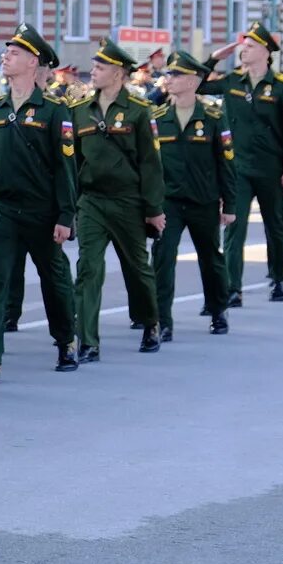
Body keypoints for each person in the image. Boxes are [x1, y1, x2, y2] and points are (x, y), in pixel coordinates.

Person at [0, 24, 80, 376]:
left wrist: (66, 215)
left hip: (42, 212)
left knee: (54, 280)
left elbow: (65, 167)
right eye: (6, 52)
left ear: (32, 62)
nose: (5, 57)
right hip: (1, 211)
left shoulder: (55, 111)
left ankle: (66, 341)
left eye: (14, 53)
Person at [70, 37, 166, 362]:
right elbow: (72, 163)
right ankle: (87, 340)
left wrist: (153, 210)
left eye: (101, 67)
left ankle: (151, 323)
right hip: (92, 202)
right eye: (94, 66)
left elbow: (151, 165)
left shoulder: (139, 112)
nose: (93, 72)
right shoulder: (79, 110)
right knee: (88, 268)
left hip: (128, 202)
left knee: (138, 268)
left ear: (120, 73)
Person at [205, 23, 283, 305]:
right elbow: (196, 83)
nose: (242, 51)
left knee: (275, 226)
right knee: (234, 228)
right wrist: (214, 58)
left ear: (264, 52)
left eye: (249, 47)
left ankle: (279, 278)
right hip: (238, 169)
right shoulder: (233, 80)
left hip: (271, 169)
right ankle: (233, 287)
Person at [151, 51, 235, 339]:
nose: (169, 80)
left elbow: (226, 164)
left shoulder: (213, 118)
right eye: (169, 74)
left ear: (192, 81)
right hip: (168, 202)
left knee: (210, 258)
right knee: (162, 257)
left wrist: (230, 203)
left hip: (204, 200)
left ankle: (218, 310)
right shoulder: (158, 118)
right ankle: (162, 320)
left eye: (176, 75)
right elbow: (149, 166)